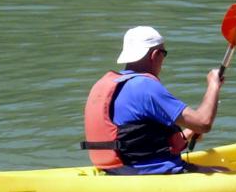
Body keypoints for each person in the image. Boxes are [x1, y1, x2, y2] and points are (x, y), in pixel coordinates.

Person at [81, 25, 225, 174]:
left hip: (115, 170)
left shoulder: (109, 84)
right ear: (155, 55)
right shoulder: (145, 86)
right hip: (147, 173)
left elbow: (134, 139)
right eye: (164, 53)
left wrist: (188, 133)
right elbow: (203, 123)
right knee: (224, 171)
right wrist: (213, 84)